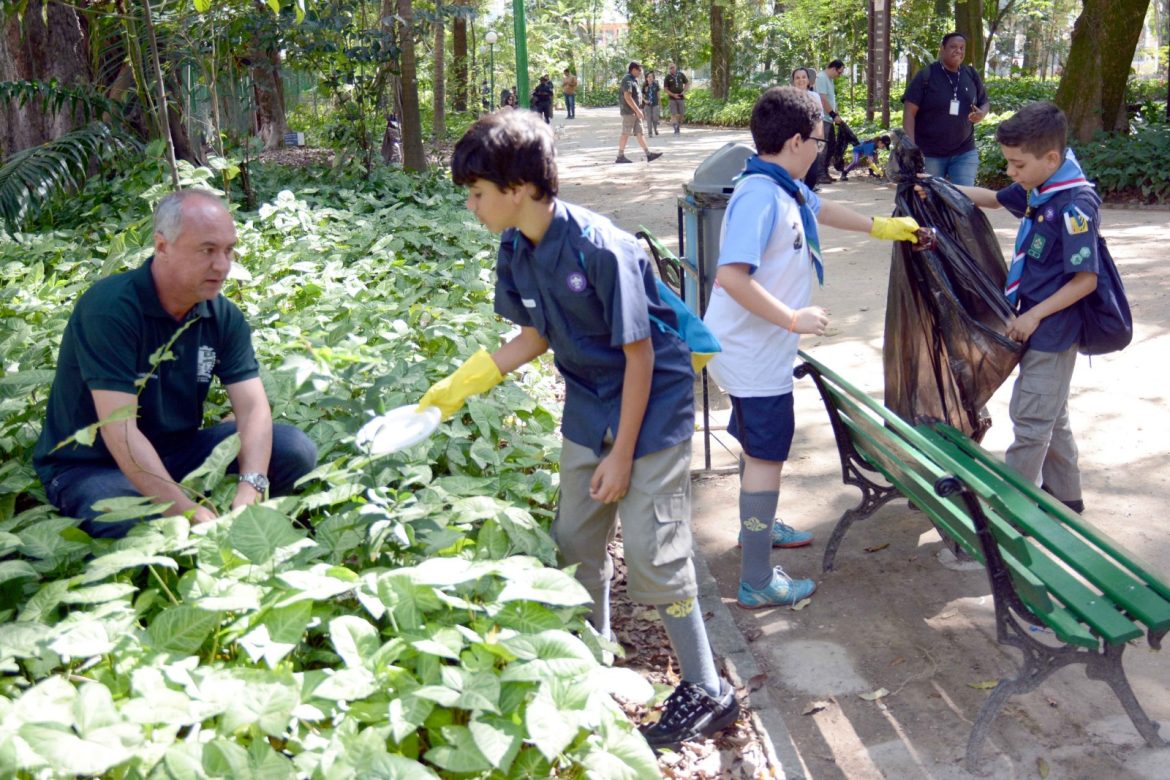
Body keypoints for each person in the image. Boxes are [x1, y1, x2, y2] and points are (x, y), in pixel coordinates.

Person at [429, 109, 740, 748]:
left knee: (657, 553)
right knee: (574, 539)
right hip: (590, 400)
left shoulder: (603, 247)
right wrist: (456, 387)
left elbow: (641, 355)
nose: (471, 205)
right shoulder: (517, 247)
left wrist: (622, 456)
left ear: (517, 188)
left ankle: (708, 687)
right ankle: (594, 658)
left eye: (477, 193)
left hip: (651, 403)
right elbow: (535, 336)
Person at [701, 86, 920, 609]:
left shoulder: (785, 187)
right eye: (820, 139)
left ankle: (760, 524)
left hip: (753, 348)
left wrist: (885, 228)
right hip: (752, 352)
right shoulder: (760, 195)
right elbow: (732, 276)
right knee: (767, 458)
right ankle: (756, 576)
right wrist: (793, 318)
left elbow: (826, 209)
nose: (823, 147)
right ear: (797, 140)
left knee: (760, 449)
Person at [32, 190, 318, 538]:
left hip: (178, 452)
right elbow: (119, 431)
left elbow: (254, 408)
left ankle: (254, 527)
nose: (223, 265)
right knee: (130, 518)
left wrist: (251, 486)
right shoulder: (110, 309)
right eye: (207, 250)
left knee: (293, 449)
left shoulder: (222, 315)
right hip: (94, 464)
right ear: (162, 246)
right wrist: (186, 510)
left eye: (229, 251)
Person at [947, 102, 1098, 514]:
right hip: (1031, 321)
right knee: (1053, 413)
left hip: (1052, 329)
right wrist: (939, 187)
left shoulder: (1075, 205)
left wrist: (1033, 315)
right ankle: (1067, 498)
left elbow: (1086, 280)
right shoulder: (1041, 186)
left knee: (1031, 422)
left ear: (1051, 158)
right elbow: (994, 199)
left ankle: (1006, 517)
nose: (1012, 173)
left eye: (1017, 165)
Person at [901, 32, 990, 186]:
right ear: (942, 48)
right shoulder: (926, 76)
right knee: (930, 199)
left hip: (965, 151)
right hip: (930, 154)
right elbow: (909, 113)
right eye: (953, 47)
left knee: (963, 199)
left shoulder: (970, 74)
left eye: (962, 48)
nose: (958, 51)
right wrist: (912, 148)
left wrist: (982, 114)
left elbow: (984, 102)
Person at [615, 61, 663, 164]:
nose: (641, 72)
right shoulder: (627, 80)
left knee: (640, 133)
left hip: (635, 112)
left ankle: (648, 154)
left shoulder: (634, 80)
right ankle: (620, 156)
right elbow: (627, 97)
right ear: (633, 69)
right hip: (629, 112)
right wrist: (637, 110)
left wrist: (639, 110)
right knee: (625, 132)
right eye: (639, 70)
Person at [814, 59, 845, 183]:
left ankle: (825, 172)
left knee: (831, 146)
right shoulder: (821, 78)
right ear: (833, 68)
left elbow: (831, 99)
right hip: (823, 119)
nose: (839, 75)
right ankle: (819, 174)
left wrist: (836, 114)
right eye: (839, 72)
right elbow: (822, 99)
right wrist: (832, 114)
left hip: (829, 119)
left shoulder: (830, 80)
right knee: (823, 147)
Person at [791, 67, 821, 190]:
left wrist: (821, 139)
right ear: (793, 81)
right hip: (793, 140)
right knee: (794, 172)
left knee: (812, 174)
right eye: (797, 78)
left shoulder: (814, 96)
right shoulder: (789, 96)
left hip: (811, 139)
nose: (801, 80)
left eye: (803, 77)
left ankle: (807, 194)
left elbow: (819, 118)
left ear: (808, 80)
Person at [664, 63, 689, 134]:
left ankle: (678, 124)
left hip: (681, 97)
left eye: (673, 67)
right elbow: (665, 89)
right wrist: (673, 95)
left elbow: (687, 83)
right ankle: (675, 126)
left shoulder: (681, 74)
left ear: (676, 67)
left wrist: (684, 91)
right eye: (670, 68)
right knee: (674, 113)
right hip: (672, 98)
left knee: (682, 113)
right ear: (669, 69)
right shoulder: (668, 77)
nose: (672, 69)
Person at [643, 69, 662, 136]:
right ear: (646, 78)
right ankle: (650, 133)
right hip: (647, 105)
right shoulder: (644, 86)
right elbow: (641, 95)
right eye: (649, 77)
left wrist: (660, 106)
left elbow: (658, 96)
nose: (650, 78)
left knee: (655, 118)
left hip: (655, 104)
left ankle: (655, 129)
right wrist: (645, 100)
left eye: (651, 76)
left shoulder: (656, 85)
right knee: (649, 119)